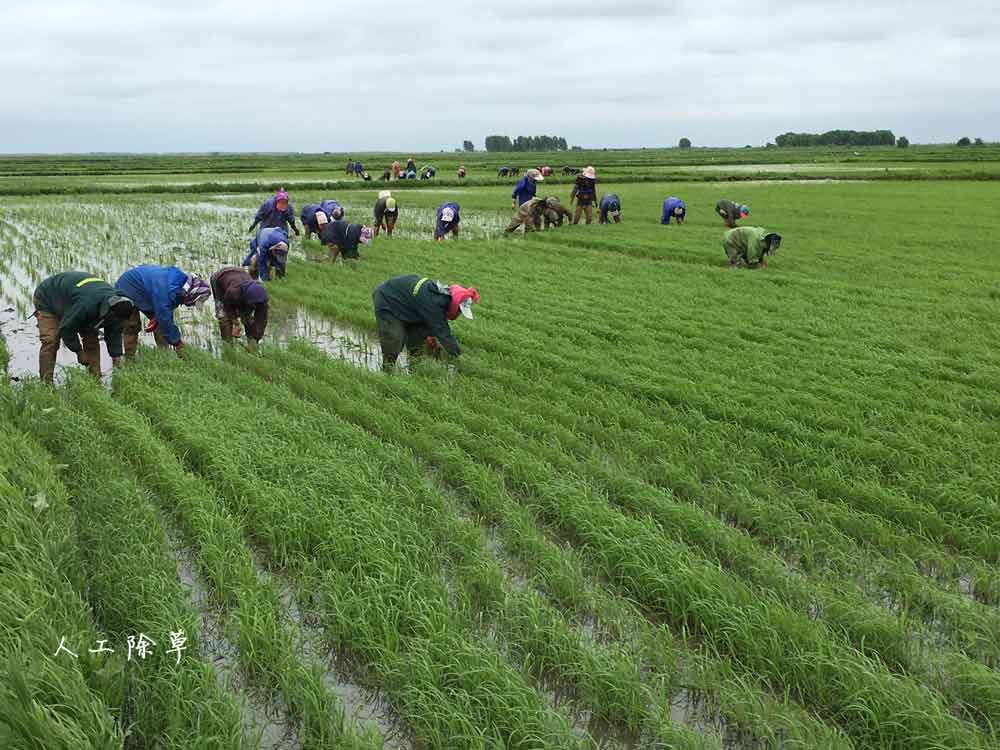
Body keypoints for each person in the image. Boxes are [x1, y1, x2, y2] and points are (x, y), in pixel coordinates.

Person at [32, 272, 134, 383]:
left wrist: (116, 357)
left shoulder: (120, 309)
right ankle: (46, 384)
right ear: (106, 309)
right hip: (48, 297)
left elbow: (114, 332)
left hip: (75, 299)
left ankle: (94, 380)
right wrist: (79, 352)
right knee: (50, 341)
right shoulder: (86, 305)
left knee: (91, 337)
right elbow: (66, 328)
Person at [372, 275, 479, 371]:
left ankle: (415, 368)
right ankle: (387, 372)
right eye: (459, 311)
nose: (459, 313)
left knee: (418, 337)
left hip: (408, 305)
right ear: (455, 303)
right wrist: (459, 355)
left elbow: (432, 322)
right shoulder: (434, 303)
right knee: (394, 339)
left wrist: (430, 335)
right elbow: (443, 332)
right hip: (387, 299)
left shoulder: (441, 297)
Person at [116, 265, 211, 358]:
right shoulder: (168, 292)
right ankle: (130, 362)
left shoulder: (181, 285)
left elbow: (165, 309)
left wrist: (157, 317)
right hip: (126, 288)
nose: (193, 305)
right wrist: (178, 343)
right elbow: (165, 319)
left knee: (160, 325)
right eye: (194, 302)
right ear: (192, 294)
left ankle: (163, 355)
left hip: (147, 291)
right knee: (132, 326)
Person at [210, 266, 269, 351]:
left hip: (239, 275)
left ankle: (251, 344)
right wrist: (235, 323)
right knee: (224, 318)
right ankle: (228, 347)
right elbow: (228, 308)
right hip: (219, 279)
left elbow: (261, 321)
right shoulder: (233, 293)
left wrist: (255, 339)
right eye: (252, 304)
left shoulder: (262, 299)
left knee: (247, 318)